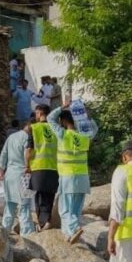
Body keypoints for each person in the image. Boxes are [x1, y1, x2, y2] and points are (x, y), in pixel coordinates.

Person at [48, 102, 96, 243]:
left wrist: (62, 107)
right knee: (75, 210)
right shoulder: (84, 136)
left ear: (62, 121)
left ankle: (74, 228)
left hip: (68, 177)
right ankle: (69, 235)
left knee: (65, 210)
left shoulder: (62, 134)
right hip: (82, 178)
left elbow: (50, 118)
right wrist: (87, 117)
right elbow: (95, 128)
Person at [0, 121, 35, 237]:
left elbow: (3, 155)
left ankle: (4, 233)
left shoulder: (11, 137)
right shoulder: (29, 138)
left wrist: (1, 172)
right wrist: (29, 167)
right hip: (23, 176)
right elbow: (27, 155)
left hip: (10, 175)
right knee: (24, 206)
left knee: (9, 205)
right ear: (30, 126)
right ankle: (27, 236)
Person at [27, 104, 59, 229]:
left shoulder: (34, 128)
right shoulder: (56, 128)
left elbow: (29, 149)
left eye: (36, 113)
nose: (35, 115)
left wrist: (27, 165)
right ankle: (47, 219)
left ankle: (43, 222)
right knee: (50, 195)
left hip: (38, 167)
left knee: (39, 196)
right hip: (53, 167)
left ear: (40, 113)